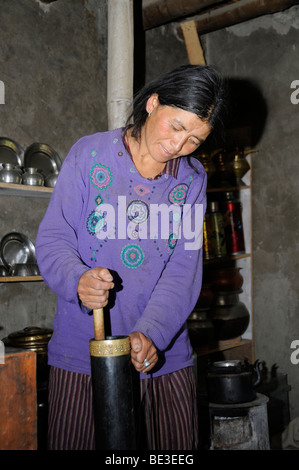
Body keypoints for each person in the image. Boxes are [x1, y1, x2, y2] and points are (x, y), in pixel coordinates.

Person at [36, 64, 226, 450]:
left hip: (162, 358)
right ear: (153, 103)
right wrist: (77, 279)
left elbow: (182, 271)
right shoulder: (89, 155)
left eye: (195, 139)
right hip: (82, 355)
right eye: (176, 126)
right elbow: (55, 239)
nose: (179, 146)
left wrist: (152, 332)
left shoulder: (191, 179)